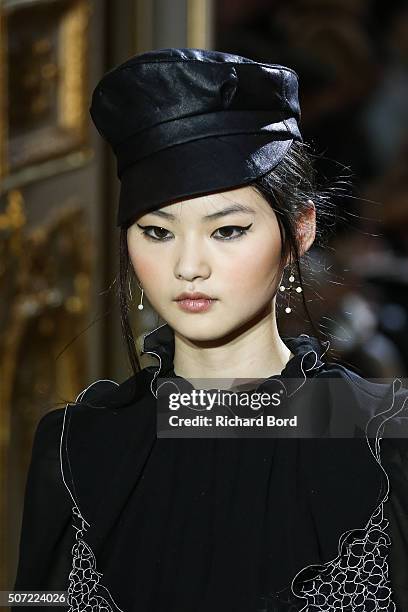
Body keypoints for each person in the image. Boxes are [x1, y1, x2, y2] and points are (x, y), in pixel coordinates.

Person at [12, 48, 408, 612]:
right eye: (156, 232)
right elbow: (33, 601)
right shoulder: (72, 446)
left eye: (227, 230)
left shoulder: (387, 440)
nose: (188, 266)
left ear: (300, 230)